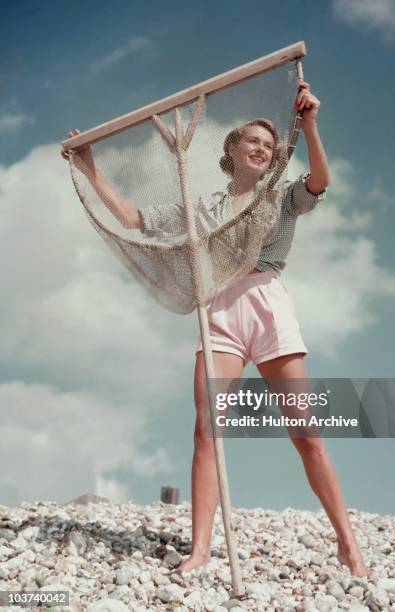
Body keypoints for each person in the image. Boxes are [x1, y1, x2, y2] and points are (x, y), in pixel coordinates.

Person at [61, 80, 370, 578]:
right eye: (254, 141)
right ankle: (201, 550)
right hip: (219, 312)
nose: (263, 150)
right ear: (232, 149)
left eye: (271, 147)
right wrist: (88, 167)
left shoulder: (280, 197)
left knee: (306, 434)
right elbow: (136, 218)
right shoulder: (199, 205)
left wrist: (309, 125)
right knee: (207, 431)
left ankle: (348, 546)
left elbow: (320, 181)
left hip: (267, 304)